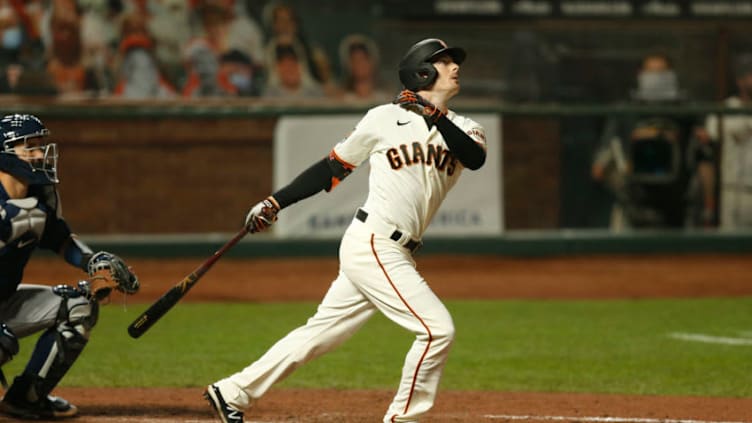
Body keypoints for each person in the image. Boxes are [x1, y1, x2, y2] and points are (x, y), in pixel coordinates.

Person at [204, 38, 487, 423]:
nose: (455, 67)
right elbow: (331, 169)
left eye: (455, 61)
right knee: (438, 330)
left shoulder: (466, 128)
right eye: (444, 61)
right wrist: (276, 202)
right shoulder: (383, 118)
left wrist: (432, 115)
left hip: (395, 250)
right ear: (422, 71)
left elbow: (475, 158)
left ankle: (232, 392)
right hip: (373, 242)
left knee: (320, 334)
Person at [0, 114, 140, 419]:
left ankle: (27, 398)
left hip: (4, 300)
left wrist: (92, 262)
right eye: (29, 147)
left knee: (78, 306)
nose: (40, 155)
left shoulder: (38, 197)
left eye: (41, 146)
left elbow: (61, 240)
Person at [591, 52, 715, 230]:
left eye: (661, 73)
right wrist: (624, 180)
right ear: (640, 75)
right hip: (633, 205)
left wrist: (708, 209)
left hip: (676, 207)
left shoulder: (687, 113)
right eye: (651, 73)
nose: (656, 79)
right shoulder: (625, 113)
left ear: (672, 75)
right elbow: (599, 168)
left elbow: (704, 160)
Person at [703, 53, 752, 228]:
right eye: (749, 74)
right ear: (740, 81)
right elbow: (709, 138)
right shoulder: (725, 109)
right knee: (732, 251)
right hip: (733, 191)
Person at [338, 33, 390, 103]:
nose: (359, 64)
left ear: (372, 62)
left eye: (363, 59)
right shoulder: (342, 99)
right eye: (354, 60)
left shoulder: (385, 99)